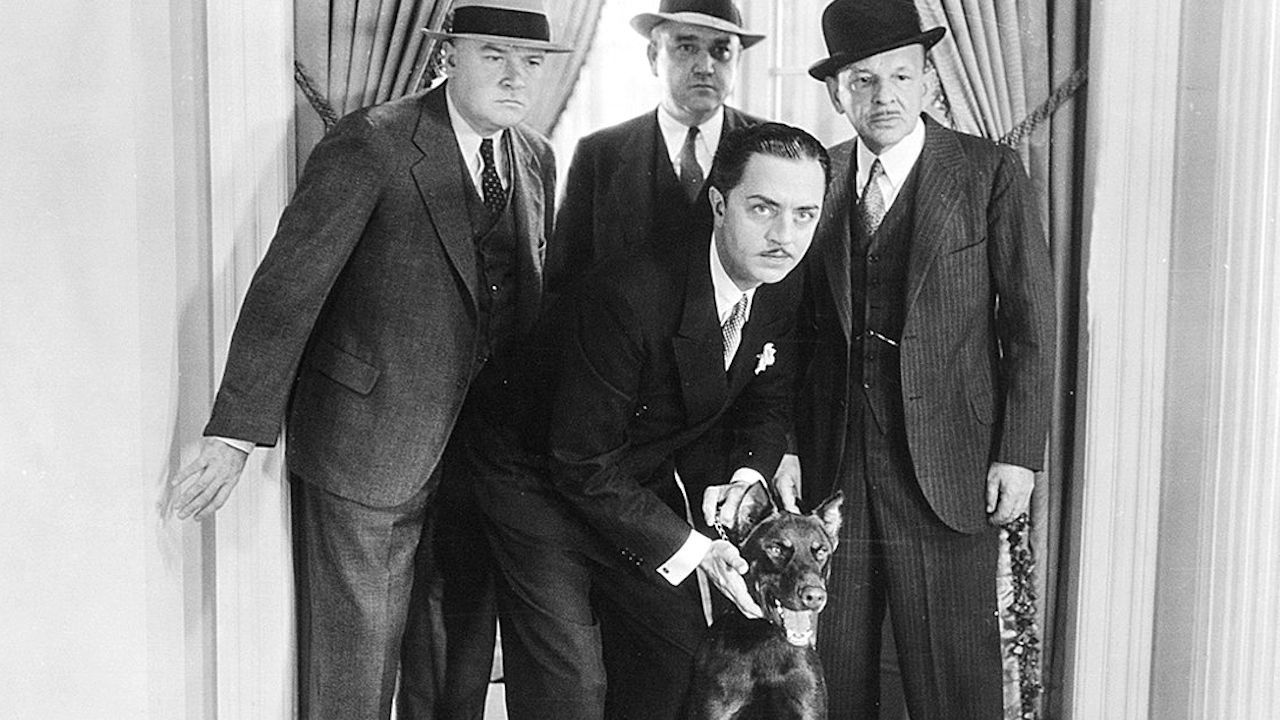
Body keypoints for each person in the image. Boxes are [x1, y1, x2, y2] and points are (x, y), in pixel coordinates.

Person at [166, 1, 568, 717]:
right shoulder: (374, 142)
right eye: (494, 55)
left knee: (455, 663)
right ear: (448, 56)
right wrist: (234, 433)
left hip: (482, 457)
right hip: (368, 445)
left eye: (531, 62)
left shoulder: (536, 157)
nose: (516, 76)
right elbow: (289, 288)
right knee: (357, 669)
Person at [470, 123, 830, 720]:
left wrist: (746, 480)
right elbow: (580, 464)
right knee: (571, 687)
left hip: (627, 478)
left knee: (682, 660)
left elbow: (767, 403)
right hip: (532, 479)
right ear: (719, 205)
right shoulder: (631, 293)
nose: (784, 236)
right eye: (763, 208)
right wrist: (696, 550)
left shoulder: (781, 282)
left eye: (804, 215)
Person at [780, 1, 1057, 717]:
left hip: (950, 462)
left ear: (929, 79)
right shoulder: (816, 176)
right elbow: (793, 332)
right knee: (832, 673)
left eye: (901, 76)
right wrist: (786, 445)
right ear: (837, 92)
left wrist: (1019, 454)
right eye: (864, 81)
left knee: (953, 679)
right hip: (836, 466)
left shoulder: (988, 172)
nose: (885, 96)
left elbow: (1030, 325)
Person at [547, 0, 767, 292]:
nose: (705, 67)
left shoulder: (770, 149)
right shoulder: (599, 154)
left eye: (721, 51)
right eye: (686, 48)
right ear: (653, 57)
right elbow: (563, 283)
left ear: (737, 61)